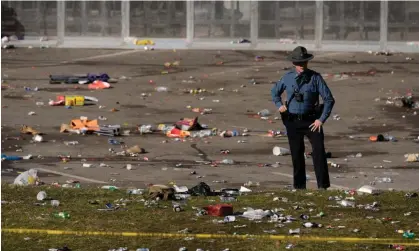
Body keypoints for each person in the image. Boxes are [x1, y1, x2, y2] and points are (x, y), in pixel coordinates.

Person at [271, 46, 335, 190]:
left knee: (318, 152)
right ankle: (299, 187)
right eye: (299, 63)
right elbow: (274, 92)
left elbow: (329, 99)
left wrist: (321, 119)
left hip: (312, 121)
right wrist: (279, 105)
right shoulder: (287, 78)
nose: (302, 66)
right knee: (296, 154)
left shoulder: (315, 78)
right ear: (293, 63)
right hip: (293, 121)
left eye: (304, 62)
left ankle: (323, 186)